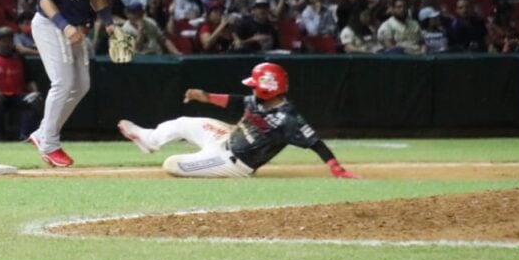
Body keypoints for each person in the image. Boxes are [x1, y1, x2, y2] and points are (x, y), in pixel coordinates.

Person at [118, 62, 358, 179]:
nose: (252, 89)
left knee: (171, 165)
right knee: (182, 122)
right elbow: (232, 101)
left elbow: (316, 143)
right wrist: (205, 97)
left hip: (232, 163)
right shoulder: (258, 101)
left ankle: (194, 161)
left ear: (266, 90)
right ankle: (149, 139)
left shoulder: (288, 119)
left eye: (256, 85)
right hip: (224, 138)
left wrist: (337, 169)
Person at [28, 0, 117, 168]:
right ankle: (49, 143)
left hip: (76, 26)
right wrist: (65, 26)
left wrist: (109, 22)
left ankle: (42, 132)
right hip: (51, 25)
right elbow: (44, 0)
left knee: (82, 86)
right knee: (62, 83)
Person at [0, 27, 41, 141]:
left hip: (18, 95)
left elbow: (29, 79)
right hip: (0, 94)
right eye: (4, 41)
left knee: (34, 102)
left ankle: (25, 135)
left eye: (9, 40)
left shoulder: (20, 58)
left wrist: (35, 92)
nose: (7, 44)